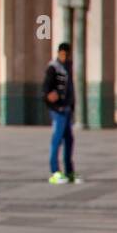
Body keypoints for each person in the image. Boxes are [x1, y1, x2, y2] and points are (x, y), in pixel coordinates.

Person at [44, 42, 81, 184]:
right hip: (58, 110)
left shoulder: (68, 67)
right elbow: (45, 89)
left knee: (69, 141)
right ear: (59, 53)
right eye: (63, 54)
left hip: (66, 110)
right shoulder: (53, 68)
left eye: (67, 54)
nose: (65, 57)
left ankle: (69, 171)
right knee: (57, 140)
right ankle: (54, 172)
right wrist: (50, 97)